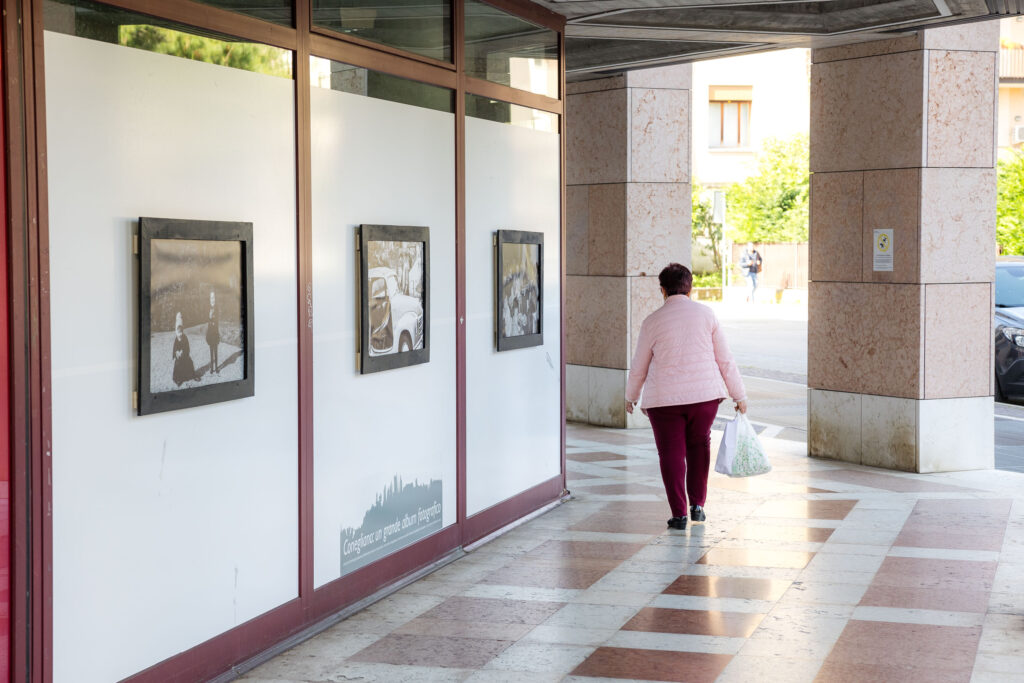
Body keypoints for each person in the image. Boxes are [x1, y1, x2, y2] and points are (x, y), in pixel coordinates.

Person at [625, 263, 748, 530]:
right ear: (690, 288)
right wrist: (739, 394)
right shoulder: (707, 315)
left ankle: (679, 514)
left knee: (670, 453)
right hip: (704, 399)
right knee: (699, 446)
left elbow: (639, 365)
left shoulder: (652, 322)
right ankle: (698, 505)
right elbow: (725, 360)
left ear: (662, 290)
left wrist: (631, 396)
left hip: (664, 401)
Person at [172, 312, 195, 386]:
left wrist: (183, 351)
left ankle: (189, 376)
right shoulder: (176, 338)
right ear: (176, 331)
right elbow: (175, 347)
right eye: (178, 331)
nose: (180, 333)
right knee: (178, 364)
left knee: (189, 363)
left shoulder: (185, 337)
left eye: (181, 331)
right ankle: (178, 379)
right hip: (179, 356)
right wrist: (176, 352)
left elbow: (187, 347)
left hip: (184, 355)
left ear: (182, 330)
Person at [206, 289, 220, 375]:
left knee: (216, 351)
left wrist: (213, 319)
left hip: (215, 332)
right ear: (209, 299)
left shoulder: (217, 307)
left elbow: (218, 319)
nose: (213, 299)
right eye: (211, 297)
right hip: (210, 333)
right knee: (211, 351)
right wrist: (210, 317)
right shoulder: (208, 308)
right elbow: (207, 319)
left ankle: (217, 367)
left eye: (214, 297)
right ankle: (211, 367)